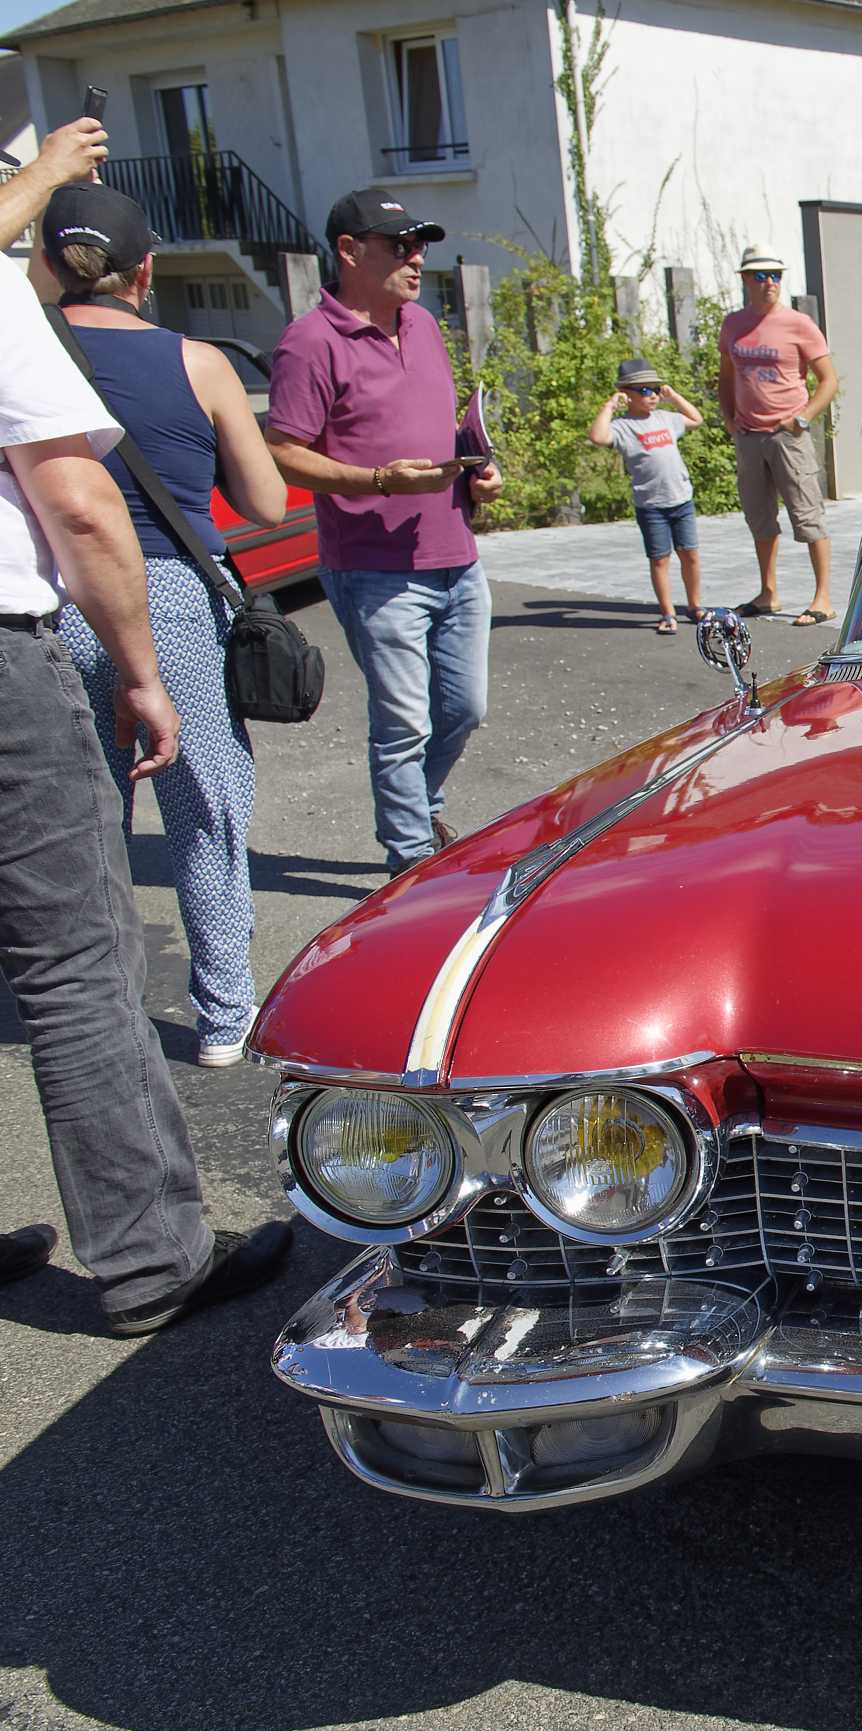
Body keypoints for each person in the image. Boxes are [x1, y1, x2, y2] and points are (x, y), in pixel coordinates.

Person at [0, 119, 293, 1322]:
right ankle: (149, 1257)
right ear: (142, 270)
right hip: (57, 628)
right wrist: (141, 669)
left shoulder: (42, 304)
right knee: (80, 955)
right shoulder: (168, 354)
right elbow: (76, 506)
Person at [43, 183, 288, 1068]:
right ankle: (224, 1015)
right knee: (204, 807)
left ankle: (87, 1011)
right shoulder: (198, 361)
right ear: (143, 271)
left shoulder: (23, 349)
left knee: (81, 816)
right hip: (173, 598)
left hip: (54, 598)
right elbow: (264, 502)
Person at [264, 187, 503, 874]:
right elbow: (282, 451)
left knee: (464, 707)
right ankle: (410, 863)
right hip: (375, 566)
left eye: (420, 243)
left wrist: (476, 468)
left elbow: (443, 420)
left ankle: (420, 808)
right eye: (399, 245)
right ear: (349, 251)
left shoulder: (422, 324)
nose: (417, 257)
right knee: (403, 724)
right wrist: (378, 481)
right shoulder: (309, 343)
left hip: (455, 550)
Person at [718, 245, 839, 628]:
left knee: (808, 516)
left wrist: (802, 420)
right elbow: (726, 376)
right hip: (749, 435)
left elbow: (828, 380)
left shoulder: (798, 324)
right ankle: (767, 593)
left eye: (775, 275)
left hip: (788, 435)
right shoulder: (733, 325)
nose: (769, 282)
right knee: (760, 517)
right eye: (760, 275)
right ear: (744, 280)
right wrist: (728, 417)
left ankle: (823, 598)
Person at [589, 357, 705, 634]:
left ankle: (695, 605)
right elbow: (597, 436)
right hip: (651, 505)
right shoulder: (622, 427)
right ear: (626, 395)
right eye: (643, 390)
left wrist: (674, 396)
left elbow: (696, 419)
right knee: (660, 559)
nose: (652, 395)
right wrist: (608, 406)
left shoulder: (666, 418)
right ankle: (667, 612)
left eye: (655, 388)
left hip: (681, 499)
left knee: (690, 555)